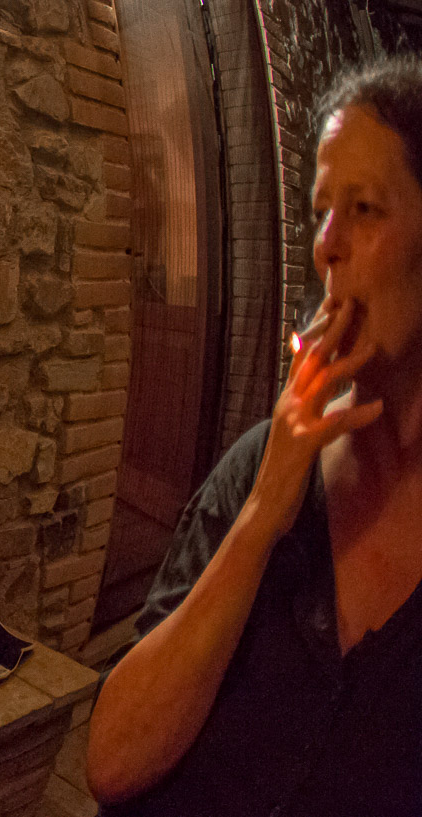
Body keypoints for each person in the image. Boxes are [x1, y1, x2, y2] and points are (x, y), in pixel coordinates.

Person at [86, 57, 422, 814]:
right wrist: (264, 510)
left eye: (364, 208)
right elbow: (112, 760)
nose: (326, 246)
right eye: (321, 211)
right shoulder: (262, 467)